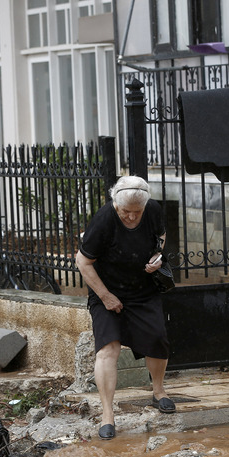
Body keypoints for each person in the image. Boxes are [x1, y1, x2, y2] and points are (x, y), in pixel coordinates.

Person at [76, 175, 174, 440]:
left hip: (142, 287)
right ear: (115, 205)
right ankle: (108, 415)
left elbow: (161, 237)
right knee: (108, 348)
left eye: (136, 212)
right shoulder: (104, 220)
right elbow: (83, 263)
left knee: (157, 338)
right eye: (125, 212)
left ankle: (158, 392)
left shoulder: (152, 210)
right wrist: (106, 296)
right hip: (105, 288)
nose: (131, 217)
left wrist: (157, 256)